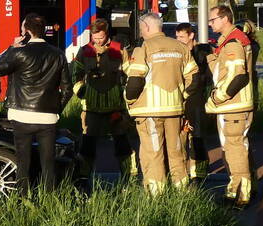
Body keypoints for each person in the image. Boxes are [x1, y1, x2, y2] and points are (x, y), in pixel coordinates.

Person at [0, 13, 73, 191]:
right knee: (48, 163)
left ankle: (23, 197)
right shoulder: (58, 55)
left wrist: (12, 48)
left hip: (21, 114)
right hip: (48, 117)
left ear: (27, 31)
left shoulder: (19, 53)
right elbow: (68, 89)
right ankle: (49, 199)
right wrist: (56, 108)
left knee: (23, 162)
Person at [124, 13, 198, 194]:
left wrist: (129, 101)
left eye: (141, 29)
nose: (141, 33)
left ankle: (157, 195)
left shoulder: (144, 48)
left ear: (147, 28)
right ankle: (182, 192)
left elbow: (135, 81)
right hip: (175, 109)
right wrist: (182, 96)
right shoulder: (180, 47)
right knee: (176, 151)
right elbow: (194, 78)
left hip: (149, 111)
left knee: (153, 152)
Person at [72, 18, 132, 188]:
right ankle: (83, 178)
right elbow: (75, 75)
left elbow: (129, 73)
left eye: (101, 37)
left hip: (116, 107)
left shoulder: (119, 50)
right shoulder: (85, 51)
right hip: (92, 107)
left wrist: (126, 95)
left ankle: (128, 177)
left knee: (122, 144)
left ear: (107, 34)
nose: (98, 40)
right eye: (95, 37)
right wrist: (81, 91)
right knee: (88, 145)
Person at [207, 6, 257, 207]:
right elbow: (222, 71)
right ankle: (241, 188)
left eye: (213, 20)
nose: (210, 24)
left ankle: (240, 193)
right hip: (233, 105)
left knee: (234, 148)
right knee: (235, 147)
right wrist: (210, 57)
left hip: (234, 105)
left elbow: (238, 75)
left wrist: (218, 97)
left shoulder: (234, 42)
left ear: (225, 18)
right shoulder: (229, 41)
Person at [175, 22, 211, 181]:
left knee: (197, 136)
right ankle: (181, 172)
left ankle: (200, 173)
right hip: (180, 98)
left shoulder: (203, 52)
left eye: (181, 37)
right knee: (180, 136)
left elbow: (207, 76)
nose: (178, 40)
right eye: (176, 37)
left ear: (191, 36)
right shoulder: (177, 51)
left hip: (197, 98)